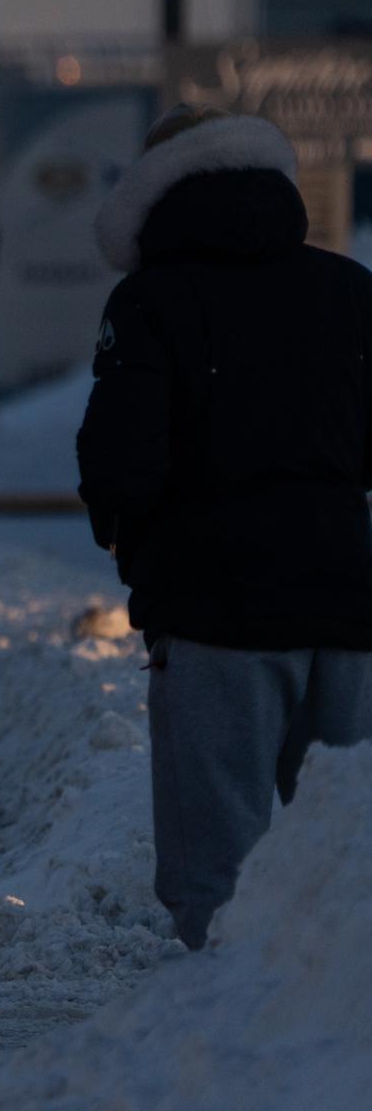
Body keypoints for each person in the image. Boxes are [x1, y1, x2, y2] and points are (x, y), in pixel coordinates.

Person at [77, 104, 372, 951]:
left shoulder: (151, 301)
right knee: (352, 848)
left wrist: (123, 535)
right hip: (347, 605)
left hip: (214, 614)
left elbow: (123, 458)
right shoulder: (351, 289)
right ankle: (342, 1043)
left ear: (151, 194)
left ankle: (223, 1044)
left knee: (220, 867)